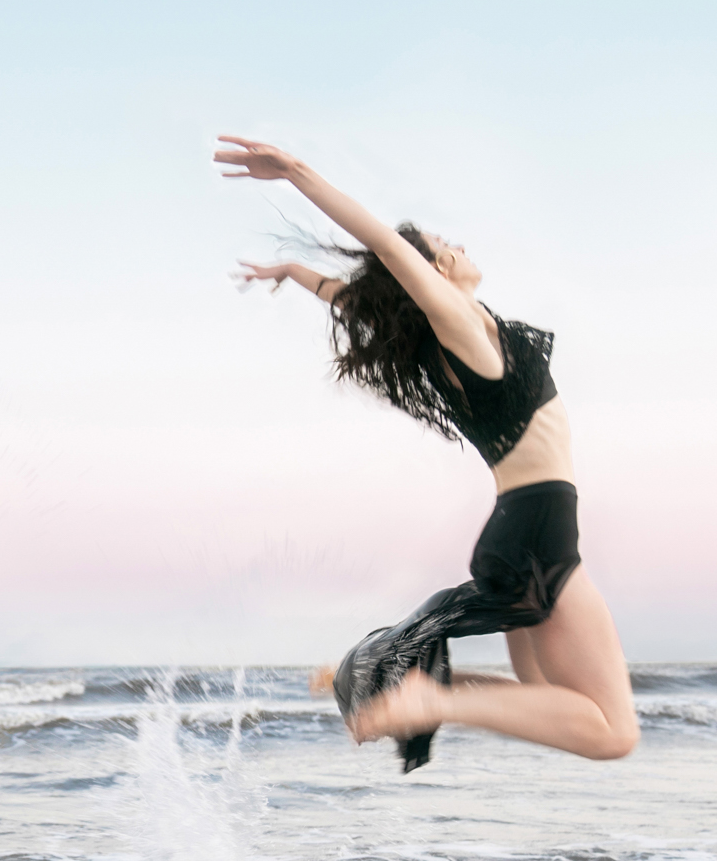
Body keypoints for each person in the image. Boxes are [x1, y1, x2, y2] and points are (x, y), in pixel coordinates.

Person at [216, 137, 638, 767]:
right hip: (538, 537)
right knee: (611, 732)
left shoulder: (441, 339)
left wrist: (292, 273)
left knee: (549, 698)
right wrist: (297, 172)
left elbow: (357, 300)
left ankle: (391, 684)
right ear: (434, 274)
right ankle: (424, 699)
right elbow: (388, 249)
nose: (458, 246)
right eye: (444, 246)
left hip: (521, 528)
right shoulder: (461, 325)